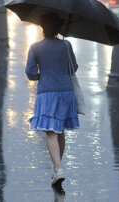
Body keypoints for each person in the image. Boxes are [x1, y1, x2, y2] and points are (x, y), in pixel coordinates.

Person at [25, 12, 79, 187]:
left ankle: (58, 168)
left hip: (47, 92)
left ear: (43, 28)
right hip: (66, 91)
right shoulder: (66, 45)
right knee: (60, 131)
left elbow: (31, 73)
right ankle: (57, 170)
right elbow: (74, 68)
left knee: (50, 132)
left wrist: (42, 74)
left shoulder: (35, 47)